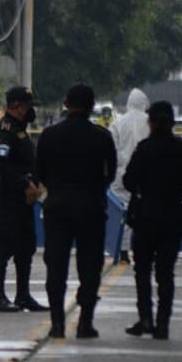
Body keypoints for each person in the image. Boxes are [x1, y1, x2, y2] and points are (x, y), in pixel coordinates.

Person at [36, 83, 117, 338]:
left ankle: (57, 323)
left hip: (58, 208)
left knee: (56, 267)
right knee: (91, 267)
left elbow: (39, 172)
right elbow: (111, 173)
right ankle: (85, 322)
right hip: (91, 208)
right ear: (92, 106)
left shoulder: (49, 135)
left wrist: (58, 189)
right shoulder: (102, 136)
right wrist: (93, 190)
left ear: (65, 103)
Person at [123, 101, 182, 340]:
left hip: (145, 217)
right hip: (172, 218)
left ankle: (145, 317)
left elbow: (128, 181)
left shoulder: (144, 149)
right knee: (166, 273)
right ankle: (163, 324)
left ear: (151, 123)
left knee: (143, 271)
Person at [0, 86, 49, 313]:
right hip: (10, 198)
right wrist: (25, 182)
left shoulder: (20, 129)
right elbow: (1, 164)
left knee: (26, 246)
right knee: (5, 245)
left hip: (25, 200)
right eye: (27, 106)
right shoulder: (5, 130)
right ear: (15, 106)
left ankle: (23, 295)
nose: (30, 110)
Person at [108, 88, 150, 264]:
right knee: (145, 214)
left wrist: (120, 166)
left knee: (123, 214)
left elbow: (112, 150)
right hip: (145, 176)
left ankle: (123, 251)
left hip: (121, 176)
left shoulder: (118, 123)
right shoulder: (150, 122)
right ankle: (145, 251)